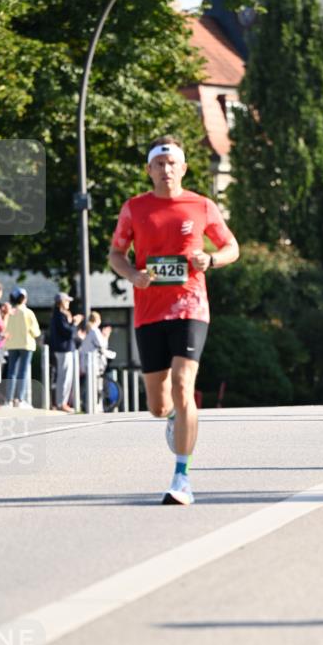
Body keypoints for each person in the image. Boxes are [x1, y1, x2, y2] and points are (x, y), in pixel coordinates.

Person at [108, 135, 239, 505]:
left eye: (172, 164)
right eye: (159, 164)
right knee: (157, 405)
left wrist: (210, 260)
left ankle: (182, 478)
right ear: (149, 170)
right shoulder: (134, 208)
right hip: (149, 312)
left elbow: (232, 246)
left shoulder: (201, 205)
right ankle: (172, 418)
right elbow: (116, 254)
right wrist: (133, 275)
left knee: (184, 386)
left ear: (183, 168)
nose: (166, 170)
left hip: (190, 306)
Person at [3, 287, 41, 408]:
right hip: (26, 344)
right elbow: (36, 332)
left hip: (12, 344)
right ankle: (19, 399)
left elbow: (4, 327)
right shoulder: (28, 312)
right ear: (23, 298)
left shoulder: (10, 312)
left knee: (11, 372)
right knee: (22, 372)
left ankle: (8, 400)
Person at [49, 292, 82, 413]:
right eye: (67, 301)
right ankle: (61, 403)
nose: (68, 303)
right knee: (64, 377)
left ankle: (62, 402)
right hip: (63, 350)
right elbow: (68, 333)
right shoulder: (59, 315)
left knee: (66, 377)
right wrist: (74, 323)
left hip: (65, 350)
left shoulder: (59, 315)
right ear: (62, 302)